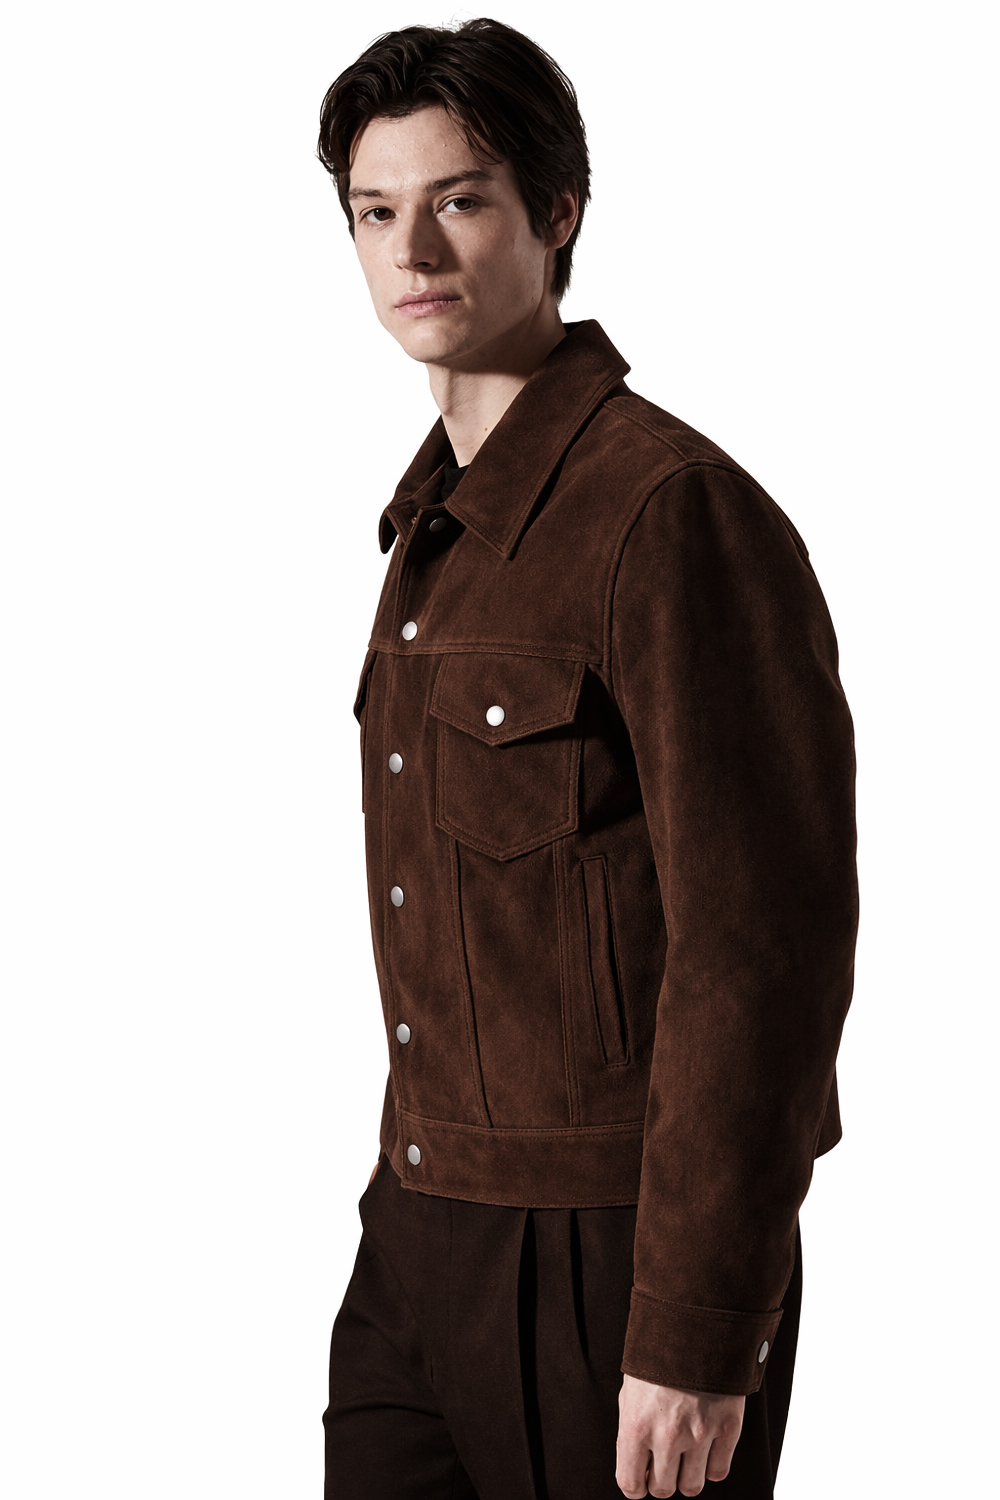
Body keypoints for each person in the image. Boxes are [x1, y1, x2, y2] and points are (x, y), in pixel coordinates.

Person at [315, 18, 857, 1500]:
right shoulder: (431, 532)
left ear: (557, 212)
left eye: (461, 199)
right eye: (375, 211)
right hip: (420, 1230)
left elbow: (764, 953)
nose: (414, 248)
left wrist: (695, 1329)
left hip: (609, 1252)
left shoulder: (670, 513)